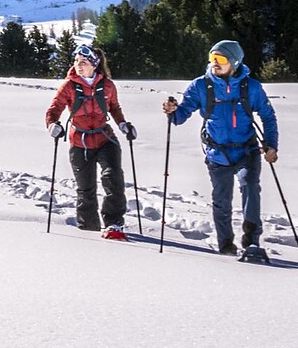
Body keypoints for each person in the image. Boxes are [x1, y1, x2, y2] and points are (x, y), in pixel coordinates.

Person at [162, 39, 279, 259]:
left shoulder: (251, 87)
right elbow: (181, 115)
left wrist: (271, 145)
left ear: (234, 63)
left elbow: (268, 116)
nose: (215, 63)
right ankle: (225, 244)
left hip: (247, 150)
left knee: (250, 187)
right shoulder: (200, 86)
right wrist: (172, 111)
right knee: (221, 199)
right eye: (212, 58)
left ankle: (251, 242)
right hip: (217, 153)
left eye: (221, 59)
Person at [44, 43, 137, 239]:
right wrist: (52, 125)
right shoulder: (69, 86)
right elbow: (54, 109)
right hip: (80, 142)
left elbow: (114, 107)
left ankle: (114, 224)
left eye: (84, 62)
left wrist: (123, 125)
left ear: (94, 64)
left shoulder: (107, 85)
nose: (78, 65)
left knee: (113, 179)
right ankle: (89, 230)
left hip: (105, 139)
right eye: (76, 61)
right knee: (86, 189)